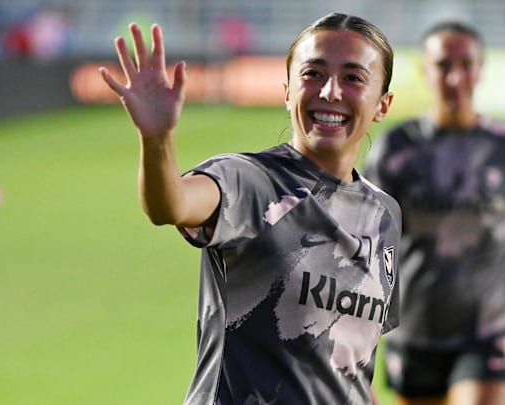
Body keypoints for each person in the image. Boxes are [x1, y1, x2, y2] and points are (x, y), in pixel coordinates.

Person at [98, 13, 401, 405]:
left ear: (382, 104)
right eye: (312, 74)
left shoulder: (384, 216)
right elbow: (170, 203)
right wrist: (157, 140)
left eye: (353, 78)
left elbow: (350, 367)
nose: (329, 91)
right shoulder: (251, 182)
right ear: (288, 91)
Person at [363, 20, 505, 405]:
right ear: (424, 70)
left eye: (466, 64)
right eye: (443, 65)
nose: (455, 77)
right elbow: (368, 243)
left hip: (489, 324)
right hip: (416, 327)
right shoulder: (396, 151)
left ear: (481, 69)